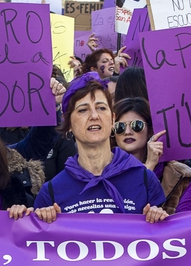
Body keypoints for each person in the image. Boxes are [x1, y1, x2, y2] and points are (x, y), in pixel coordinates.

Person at [33, 72, 167, 223]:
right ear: (68, 124)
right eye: (83, 110)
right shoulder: (51, 192)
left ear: (113, 119)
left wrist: (159, 219)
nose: (94, 116)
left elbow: (165, 240)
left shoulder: (145, 179)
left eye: (101, 108)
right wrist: (38, 220)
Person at [113, 96, 191, 213]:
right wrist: (149, 166)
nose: (127, 132)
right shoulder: (103, 172)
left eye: (136, 125)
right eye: (120, 127)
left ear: (150, 130)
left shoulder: (181, 175)